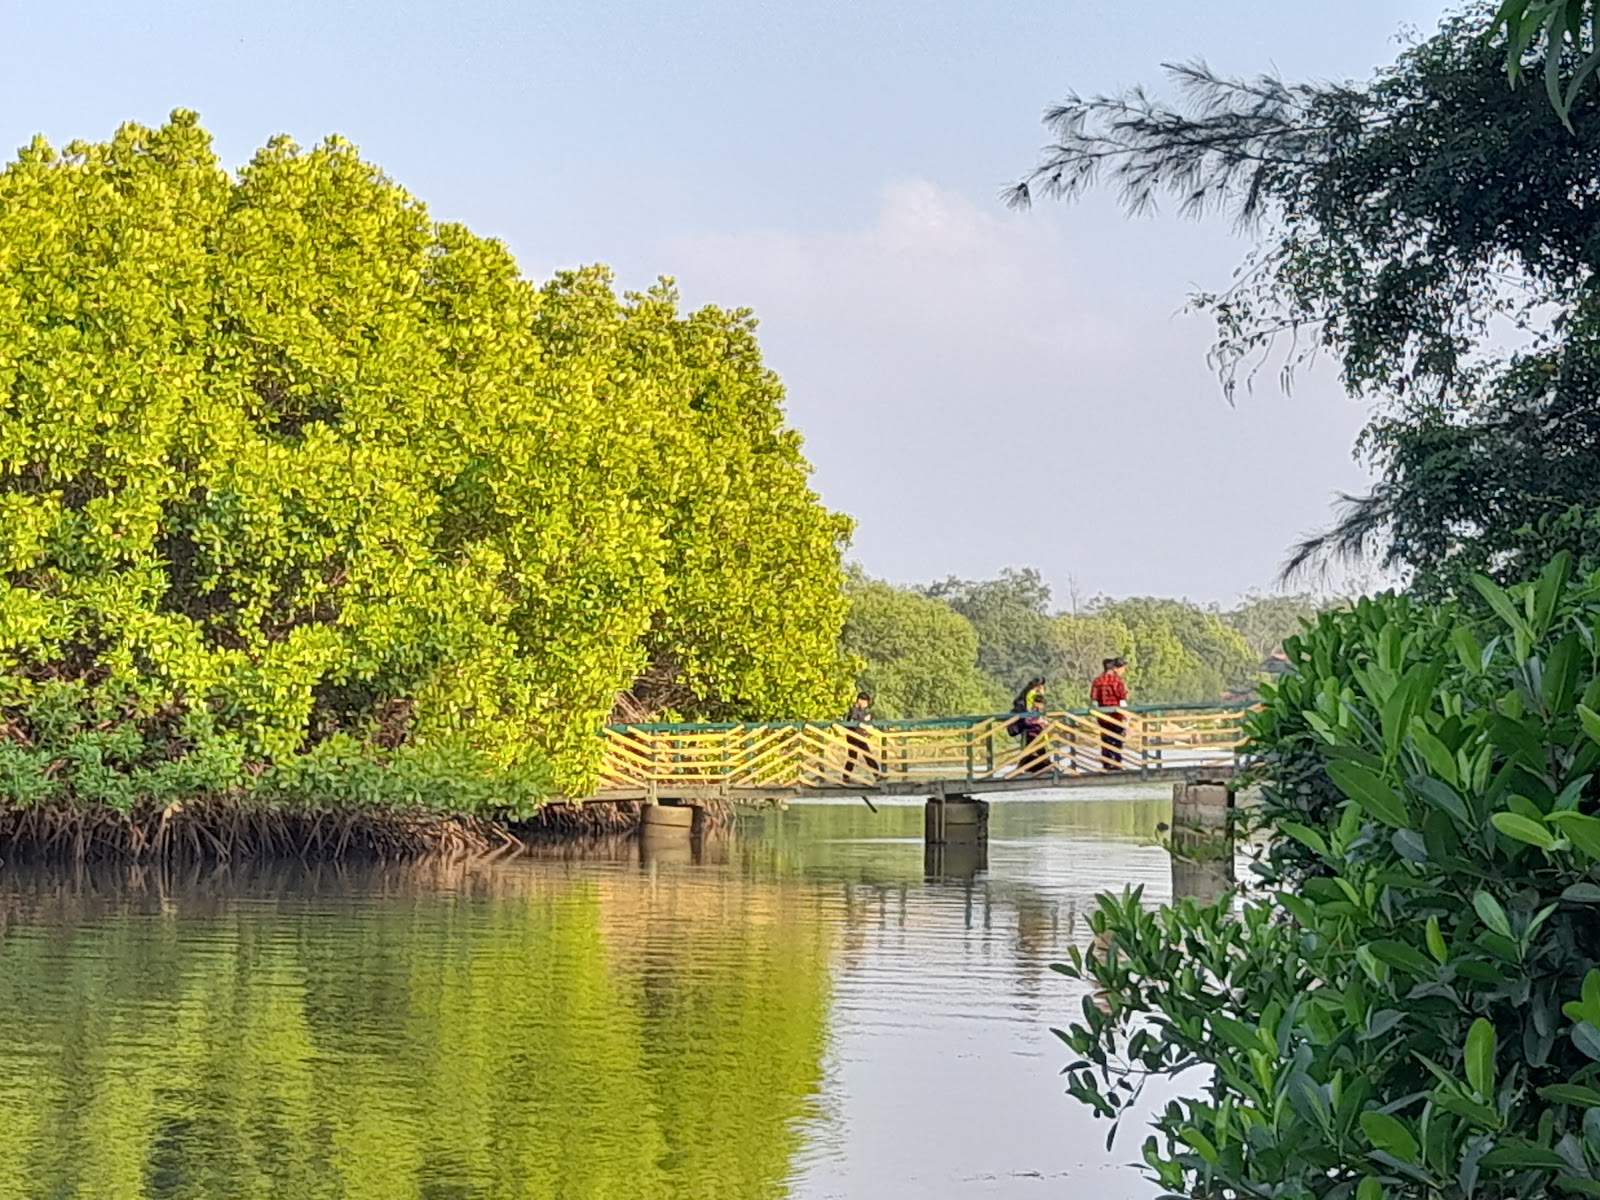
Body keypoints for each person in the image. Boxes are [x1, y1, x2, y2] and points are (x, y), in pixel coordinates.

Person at [1090, 658, 1129, 769]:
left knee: (1105, 739)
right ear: (1114, 668)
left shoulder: (1097, 681)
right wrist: (1126, 716)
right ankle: (1116, 762)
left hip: (1102, 716)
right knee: (1117, 740)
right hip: (1116, 715)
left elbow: (1094, 699)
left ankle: (1107, 763)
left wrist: (1096, 714)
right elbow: (1122, 698)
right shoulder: (1117, 681)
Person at [1009, 676, 1050, 776]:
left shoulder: (1029, 693)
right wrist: (1039, 720)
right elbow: (1031, 710)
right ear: (1039, 686)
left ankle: (1040, 768)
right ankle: (1044, 768)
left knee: (1034, 749)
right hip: (1032, 727)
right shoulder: (1032, 694)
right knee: (1036, 748)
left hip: (1032, 726)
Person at [843, 691, 881, 781]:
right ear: (860, 700)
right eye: (865, 702)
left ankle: (846, 776)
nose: (866, 705)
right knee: (856, 756)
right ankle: (877, 774)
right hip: (854, 736)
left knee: (858, 756)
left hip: (859, 736)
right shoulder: (854, 710)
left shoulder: (861, 710)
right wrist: (864, 720)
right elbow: (853, 722)